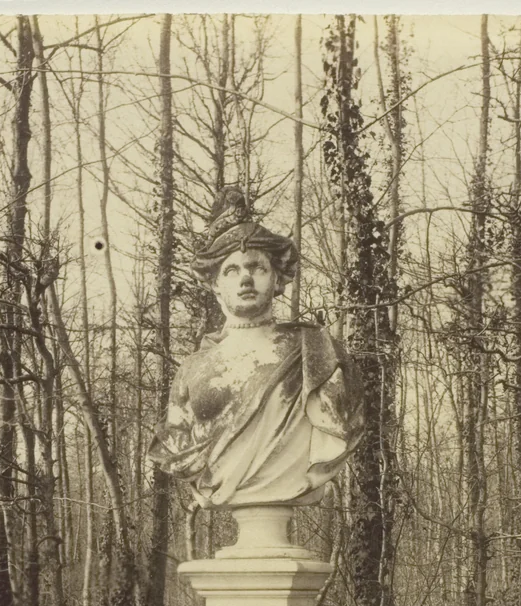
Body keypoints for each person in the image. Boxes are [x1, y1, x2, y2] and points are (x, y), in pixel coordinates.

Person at [148, 188, 363, 509]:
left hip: (292, 483)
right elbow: (177, 438)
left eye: (256, 267)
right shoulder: (192, 370)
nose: (245, 278)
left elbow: (341, 421)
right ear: (216, 285)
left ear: (277, 279)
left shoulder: (315, 352)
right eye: (231, 270)